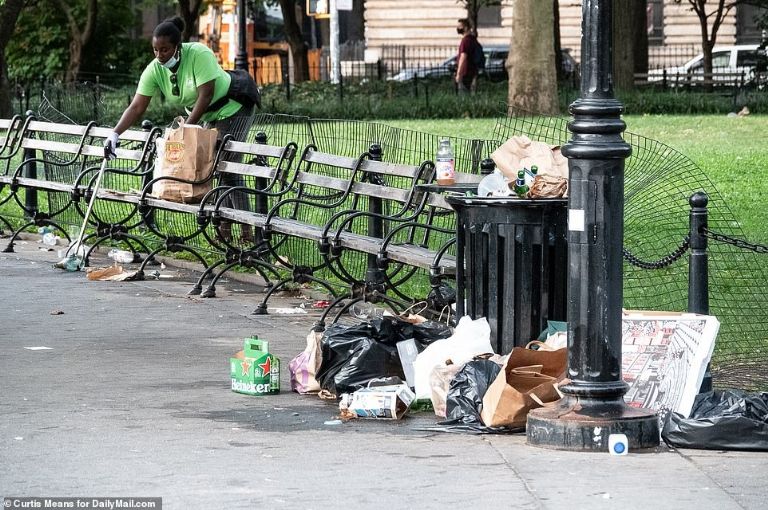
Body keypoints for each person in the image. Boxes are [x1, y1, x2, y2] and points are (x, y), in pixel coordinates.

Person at [106, 16, 254, 241]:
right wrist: (115, 133)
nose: (159, 55)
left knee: (226, 166)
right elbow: (137, 106)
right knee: (213, 167)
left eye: (164, 50)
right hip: (207, 114)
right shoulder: (155, 70)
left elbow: (206, 95)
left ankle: (245, 232)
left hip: (233, 106)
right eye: (155, 50)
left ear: (177, 47)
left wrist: (188, 127)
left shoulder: (198, 54)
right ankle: (226, 228)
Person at [455, 18, 480, 94]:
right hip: (472, 71)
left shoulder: (465, 41)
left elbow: (463, 57)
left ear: (465, 28)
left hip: (465, 73)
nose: (458, 29)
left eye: (460, 27)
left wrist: (459, 74)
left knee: (463, 95)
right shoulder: (473, 39)